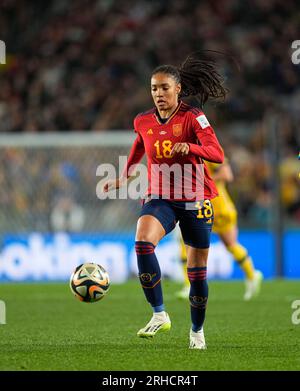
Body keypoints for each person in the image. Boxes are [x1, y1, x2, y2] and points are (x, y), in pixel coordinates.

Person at [103, 52, 226, 349]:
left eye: (164, 88)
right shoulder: (142, 120)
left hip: (196, 199)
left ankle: (197, 331)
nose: (159, 94)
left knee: (196, 274)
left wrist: (192, 148)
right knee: (143, 242)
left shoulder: (193, 117)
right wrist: (126, 174)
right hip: (161, 197)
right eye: (154, 88)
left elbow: (218, 154)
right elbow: (139, 144)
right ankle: (159, 314)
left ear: (178, 89)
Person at [176, 158, 263, 301]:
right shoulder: (185, 149)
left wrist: (202, 181)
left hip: (219, 207)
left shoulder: (211, 148)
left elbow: (227, 175)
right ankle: (188, 286)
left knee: (230, 244)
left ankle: (252, 275)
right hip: (198, 205)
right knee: (184, 241)